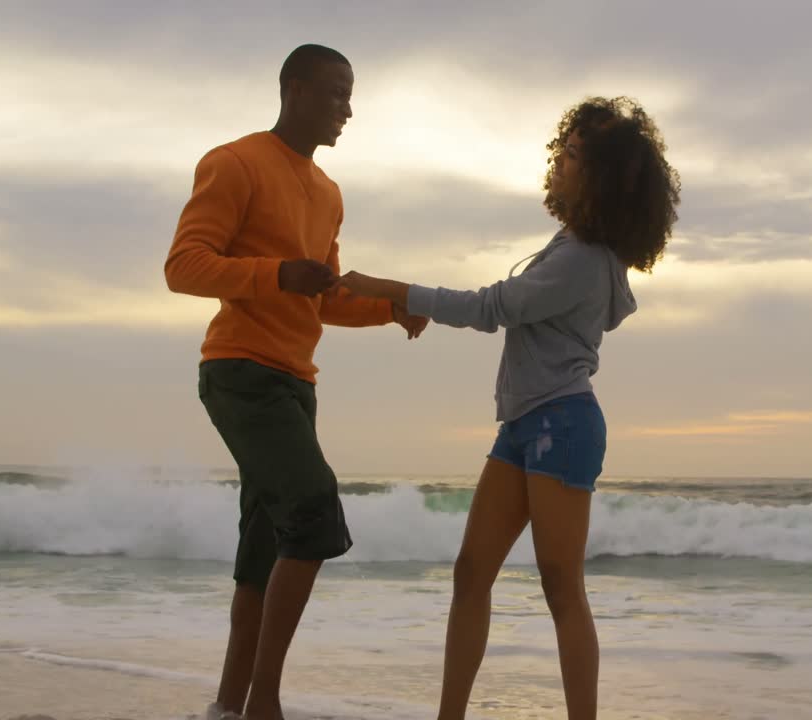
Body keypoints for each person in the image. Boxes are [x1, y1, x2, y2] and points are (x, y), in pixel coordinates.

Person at [338, 96, 680, 720]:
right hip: (524, 426)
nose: (561, 161)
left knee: (560, 587)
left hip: (562, 424)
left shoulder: (582, 261)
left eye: (575, 156)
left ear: (604, 178)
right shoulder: (571, 244)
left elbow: (492, 307)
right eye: (565, 149)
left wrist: (389, 289)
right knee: (471, 575)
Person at [163, 44, 427, 720]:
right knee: (312, 514)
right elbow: (185, 267)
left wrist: (389, 309)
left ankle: (228, 705)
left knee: (264, 548)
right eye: (336, 93)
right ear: (294, 88)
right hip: (239, 372)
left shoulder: (328, 193)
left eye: (351, 95)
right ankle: (265, 705)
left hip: (295, 386)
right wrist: (277, 272)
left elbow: (324, 296)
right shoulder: (235, 162)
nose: (347, 108)